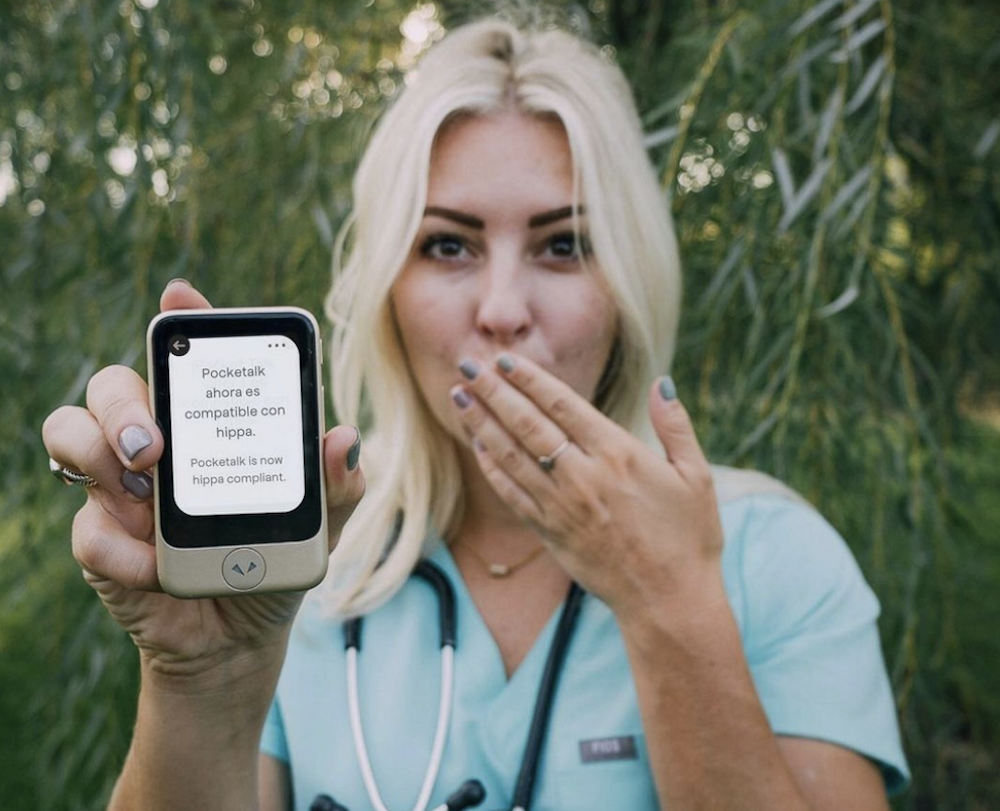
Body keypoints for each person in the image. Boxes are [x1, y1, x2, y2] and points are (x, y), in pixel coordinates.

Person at [42, 16, 909, 811]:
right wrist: (201, 680)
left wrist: (671, 607)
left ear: (629, 284)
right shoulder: (299, 562)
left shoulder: (776, 559)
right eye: (448, 245)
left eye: (563, 244)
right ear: (387, 291)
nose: (501, 309)